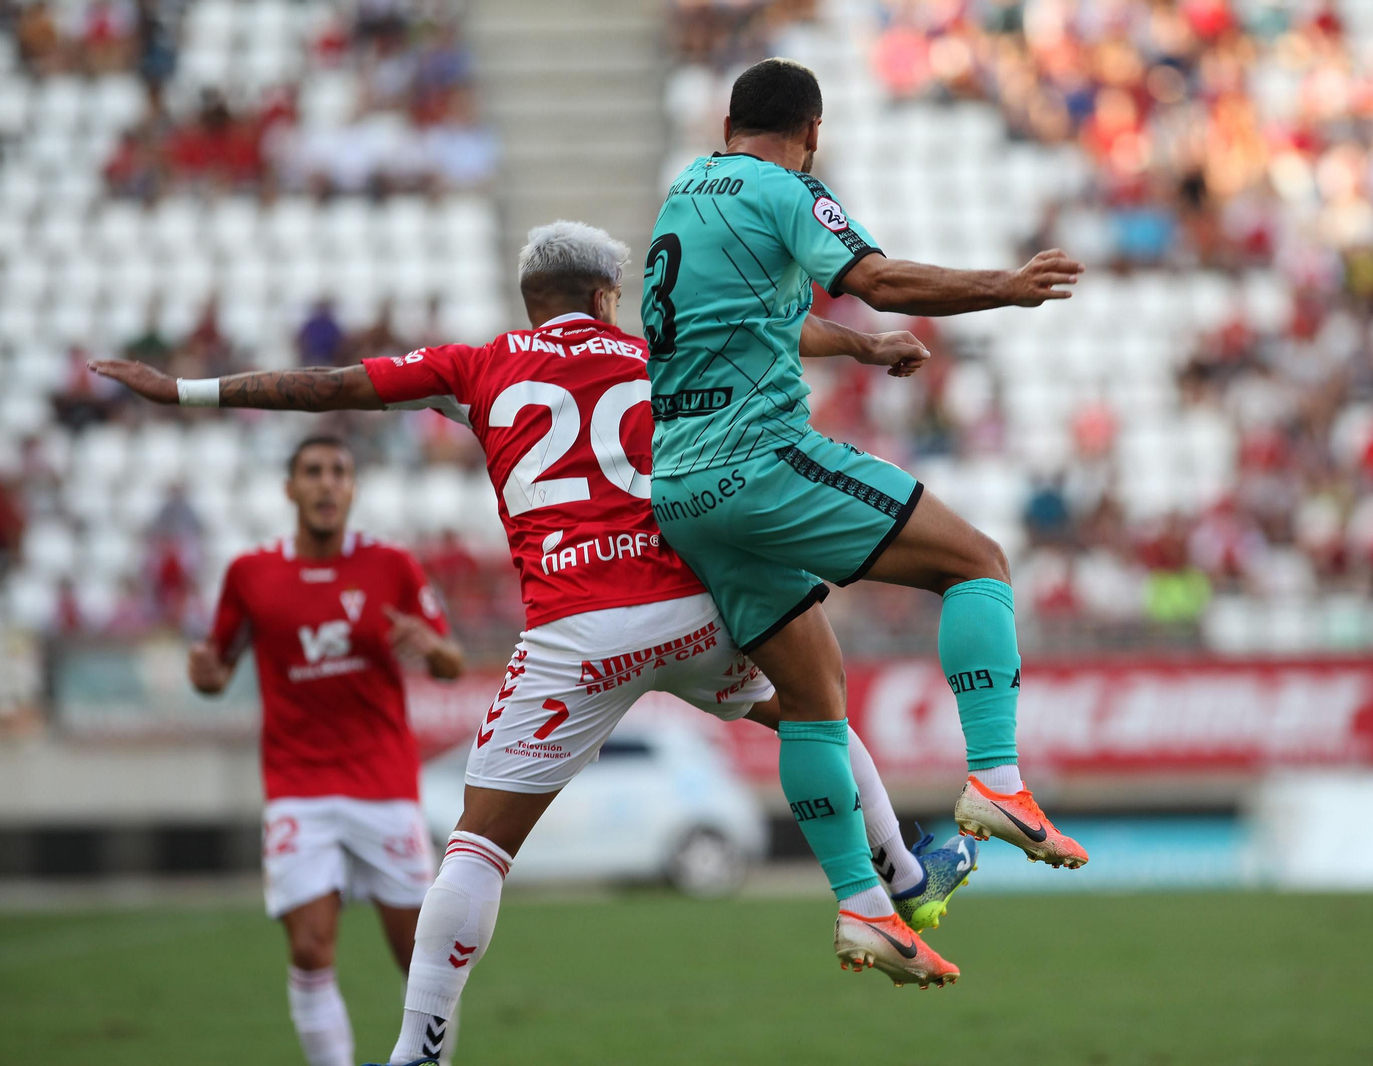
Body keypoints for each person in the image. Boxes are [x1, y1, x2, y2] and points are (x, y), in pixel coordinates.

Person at [91, 220, 972, 1064]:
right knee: (813, 710)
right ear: (604, 294)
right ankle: (896, 878)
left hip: (576, 633)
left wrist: (187, 392)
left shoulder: (477, 366)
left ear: (531, 303)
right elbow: (766, 326)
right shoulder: (658, 347)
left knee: (477, 848)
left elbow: (328, 387)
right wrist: (861, 345)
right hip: (691, 608)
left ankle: (416, 1050)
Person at [641, 57, 1089, 950]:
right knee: (978, 564)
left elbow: (756, 320)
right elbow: (877, 276)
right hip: (758, 462)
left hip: (681, 492)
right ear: (811, 131)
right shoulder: (787, 190)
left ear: (729, 124)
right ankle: (995, 779)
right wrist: (1006, 286)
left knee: (812, 698)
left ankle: (868, 906)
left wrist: (858, 347)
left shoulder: (685, 196)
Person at [189, 435, 465, 1066]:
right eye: (312, 472)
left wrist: (430, 645)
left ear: (352, 489)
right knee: (311, 949)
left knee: (420, 959)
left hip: (384, 785)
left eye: (339, 472)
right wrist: (201, 674)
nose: (326, 483)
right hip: (299, 788)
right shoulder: (250, 574)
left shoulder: (392, 566)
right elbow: (215, 671)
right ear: (290, 489)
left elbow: (450, 663)